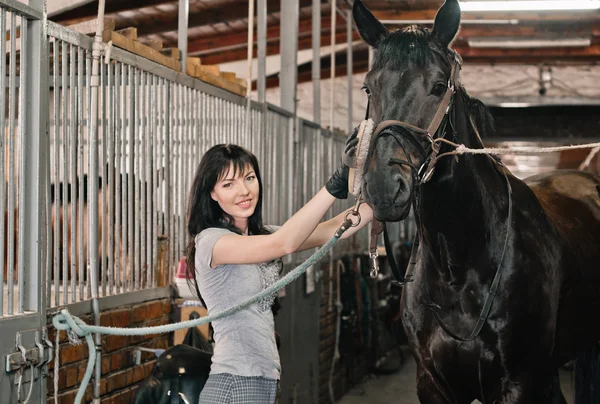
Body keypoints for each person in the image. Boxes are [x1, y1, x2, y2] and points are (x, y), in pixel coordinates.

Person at [185, 133, 373, 404]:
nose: (244, 191)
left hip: (264, 382)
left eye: (249, 178)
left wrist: (382, 196)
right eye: (228, 184)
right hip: (235, 384)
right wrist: (334, 185)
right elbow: (285, 243)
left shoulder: (262, 236)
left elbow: (334, 230)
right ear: (212, 193)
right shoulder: (211, 242)